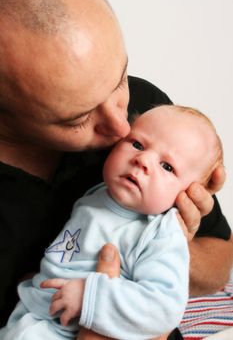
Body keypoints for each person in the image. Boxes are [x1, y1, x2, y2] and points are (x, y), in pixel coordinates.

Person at [0, 0, 232, 339]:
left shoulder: (152, 117)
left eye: (119, 78)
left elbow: (216, 266)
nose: (124, 129)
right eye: (78, 118)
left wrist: (167, 246)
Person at [0, 105, 225, 340]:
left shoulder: (160, 233)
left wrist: (89, 297)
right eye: (137, 144)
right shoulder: (97, 194)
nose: (143, 160)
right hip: (32, 315)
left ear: (188, 194)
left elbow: (163, 307)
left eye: (167, 166)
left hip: (74, 328)